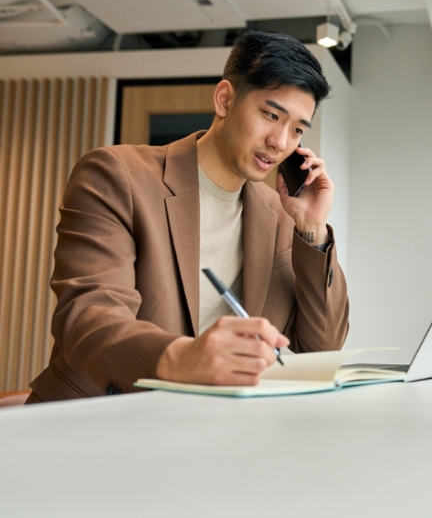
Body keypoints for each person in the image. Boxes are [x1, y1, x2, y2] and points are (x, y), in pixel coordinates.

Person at [26, 31, 349, 404]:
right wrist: (184, 358)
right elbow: (88, 320)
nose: (280, 142)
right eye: (271, 115)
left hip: (205, 428)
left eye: (296, 130)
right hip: (98, 417)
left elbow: (322, 347)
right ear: (225, 99)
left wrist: (311, 229)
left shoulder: (279, 215)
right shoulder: (117, 175)